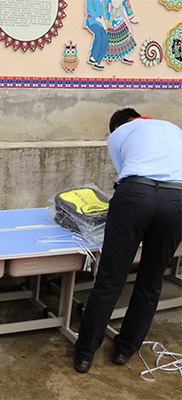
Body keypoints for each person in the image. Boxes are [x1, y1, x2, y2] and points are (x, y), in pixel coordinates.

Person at [74, 108, 182, 373]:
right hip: (176, 200)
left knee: (110, 279)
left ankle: (85, 354)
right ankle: (125, 351)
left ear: (116, 126)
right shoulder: (173, 128)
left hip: (136, 195)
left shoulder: (118, 134)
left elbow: (125, 174)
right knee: (152, 281)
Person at [85, 0, 109, 71]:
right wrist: (98, 19)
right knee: (99, 36)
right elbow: (90, 9)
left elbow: (107, 11)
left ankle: (98, 61)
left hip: (102, 23)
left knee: (105, 40)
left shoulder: (106, 1)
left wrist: (106, 20)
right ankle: (93, 56)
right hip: (92, 21)